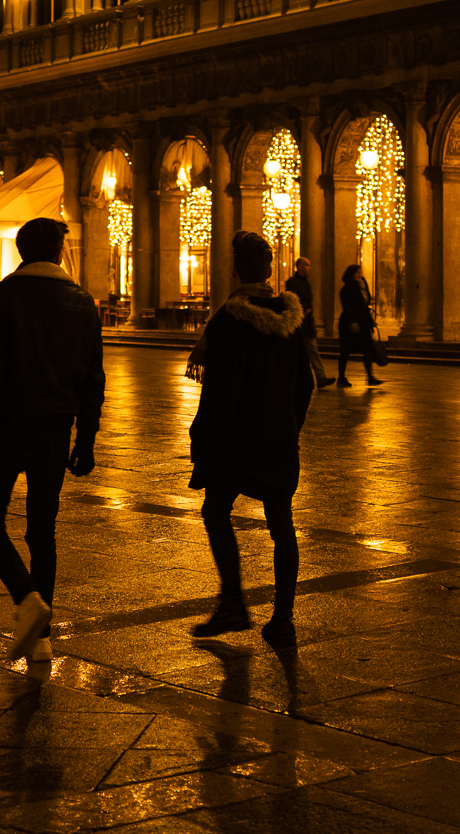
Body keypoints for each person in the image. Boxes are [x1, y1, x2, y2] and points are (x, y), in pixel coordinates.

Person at [0, 216, 103, 663]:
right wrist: (86, 439)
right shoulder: (82, 301)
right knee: (42, 530)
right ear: (58, 252)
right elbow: (93, 378)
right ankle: (40, 638)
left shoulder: (7, 295)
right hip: (56, 430)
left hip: (10, 425)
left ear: (22, 250)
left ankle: (27, 598)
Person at [188, 230, 314, 648]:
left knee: (215, 511)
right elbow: (305, 383)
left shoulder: (230, 319)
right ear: (270, 269)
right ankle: (283, 618)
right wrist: (289, 426)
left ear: (235, 270)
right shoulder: (291, 316)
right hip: (279, 440)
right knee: (282, 524)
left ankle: (233, 603)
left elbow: (222, 390)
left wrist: (205, 437)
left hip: (238, 440)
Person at [284, 257, 329, 389]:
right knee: (301, 352)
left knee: (312, 350)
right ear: (300, 267)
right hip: (299, 323)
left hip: (307, 323)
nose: (310, 268)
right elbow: (293, 300)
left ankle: (320, 377)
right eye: (307, 265)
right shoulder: (292, 282)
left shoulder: (306, 283)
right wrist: (303, 309)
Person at [337, 263, 381, 387]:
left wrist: (370, 321)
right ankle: (341, 378)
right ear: (351, 275)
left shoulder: (363, 286)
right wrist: (352, 322)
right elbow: (347, 307)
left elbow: (364, 305)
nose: (359, 274)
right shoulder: (346, 289)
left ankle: (370, 377)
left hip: (363, 322)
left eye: (360, 272)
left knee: (367, 349)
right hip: (350, 323)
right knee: (345, 351)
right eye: (357, 272)